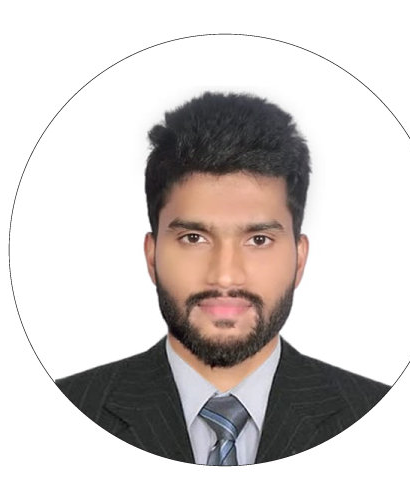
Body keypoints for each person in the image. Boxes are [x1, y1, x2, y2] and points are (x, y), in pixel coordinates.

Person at [56, 91, 390, 466]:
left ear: (299, 259)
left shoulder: (380, 417)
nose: (225, 275)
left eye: (258, 240)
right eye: (193, 238)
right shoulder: (66, 411)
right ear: (152, 256)